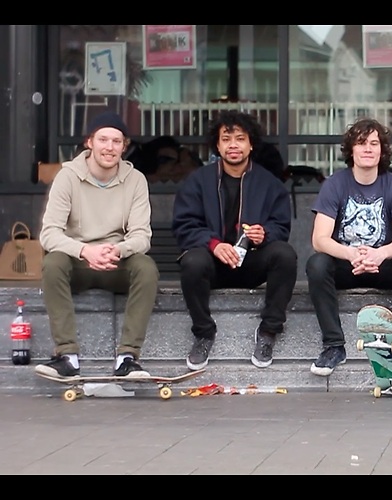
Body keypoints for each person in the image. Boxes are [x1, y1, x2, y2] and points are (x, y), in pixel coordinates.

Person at [35, 110, 159, 378]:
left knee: (146, 267)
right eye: (103, 140)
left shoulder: (136, 180)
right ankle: (67, 356)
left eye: (117, 141)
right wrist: (84, 250)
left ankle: (127, 357)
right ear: (89, 142)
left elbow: (142, 236)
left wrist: (118, 250)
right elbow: (49, 233)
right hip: (78, 263)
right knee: (52, 262)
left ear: (124, 147)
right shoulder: (67, 176)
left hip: (116, 261)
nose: (109, 147)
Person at [172, 110, 298, 371]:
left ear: (251, 144)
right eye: (226, 139)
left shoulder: (269, 183)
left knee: (285, 255)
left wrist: (265, 234)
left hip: (251, 262)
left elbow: (281, 226)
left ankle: (268, 332)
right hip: (212, 263)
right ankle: (204, 333)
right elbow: (184, 226)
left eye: (240, 139)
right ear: (217, 145)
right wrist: (214, 245)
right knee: (192, 261)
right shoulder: (198, 181)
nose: (233, 145)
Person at [306, 117, 392, 377]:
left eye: (373, 143)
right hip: (348, 265)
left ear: (382, 150)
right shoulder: (335, 184)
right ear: (351, 150)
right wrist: (350, 253)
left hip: (382, 265)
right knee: (317, 263)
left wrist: (380, 254)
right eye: (361, 143)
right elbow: (319, 239)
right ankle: (334, 346)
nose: (368, 148)